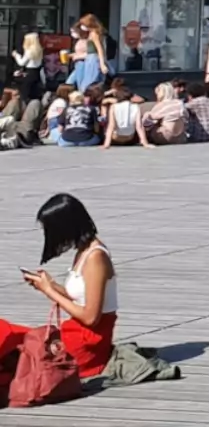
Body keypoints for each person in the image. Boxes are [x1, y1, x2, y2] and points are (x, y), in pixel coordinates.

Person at [3, 194, 120, 378]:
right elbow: (80, 298)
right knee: (8, 333)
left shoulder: (96, 258)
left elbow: (90, 318)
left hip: (88, 342)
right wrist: (49, 286)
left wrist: (49, 290)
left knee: (15, 343)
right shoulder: (85, 251)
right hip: (74, 331)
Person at [100, 78, 154, 149]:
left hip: (116, 137)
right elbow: (139, 126)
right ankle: (142, 141)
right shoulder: (136, 107)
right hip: (129, 137)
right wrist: (145, 143)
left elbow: (111, 126)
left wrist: (106, 144)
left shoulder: (113, 107)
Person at [65, 15, 106, 95]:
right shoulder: (92, 33)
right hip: (91, 58)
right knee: (88, 82)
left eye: (84, 24)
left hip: (93, 58)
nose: (82, 26)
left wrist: (102, 64)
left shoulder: (94, 34)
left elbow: (99, 49)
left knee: (88, 82)